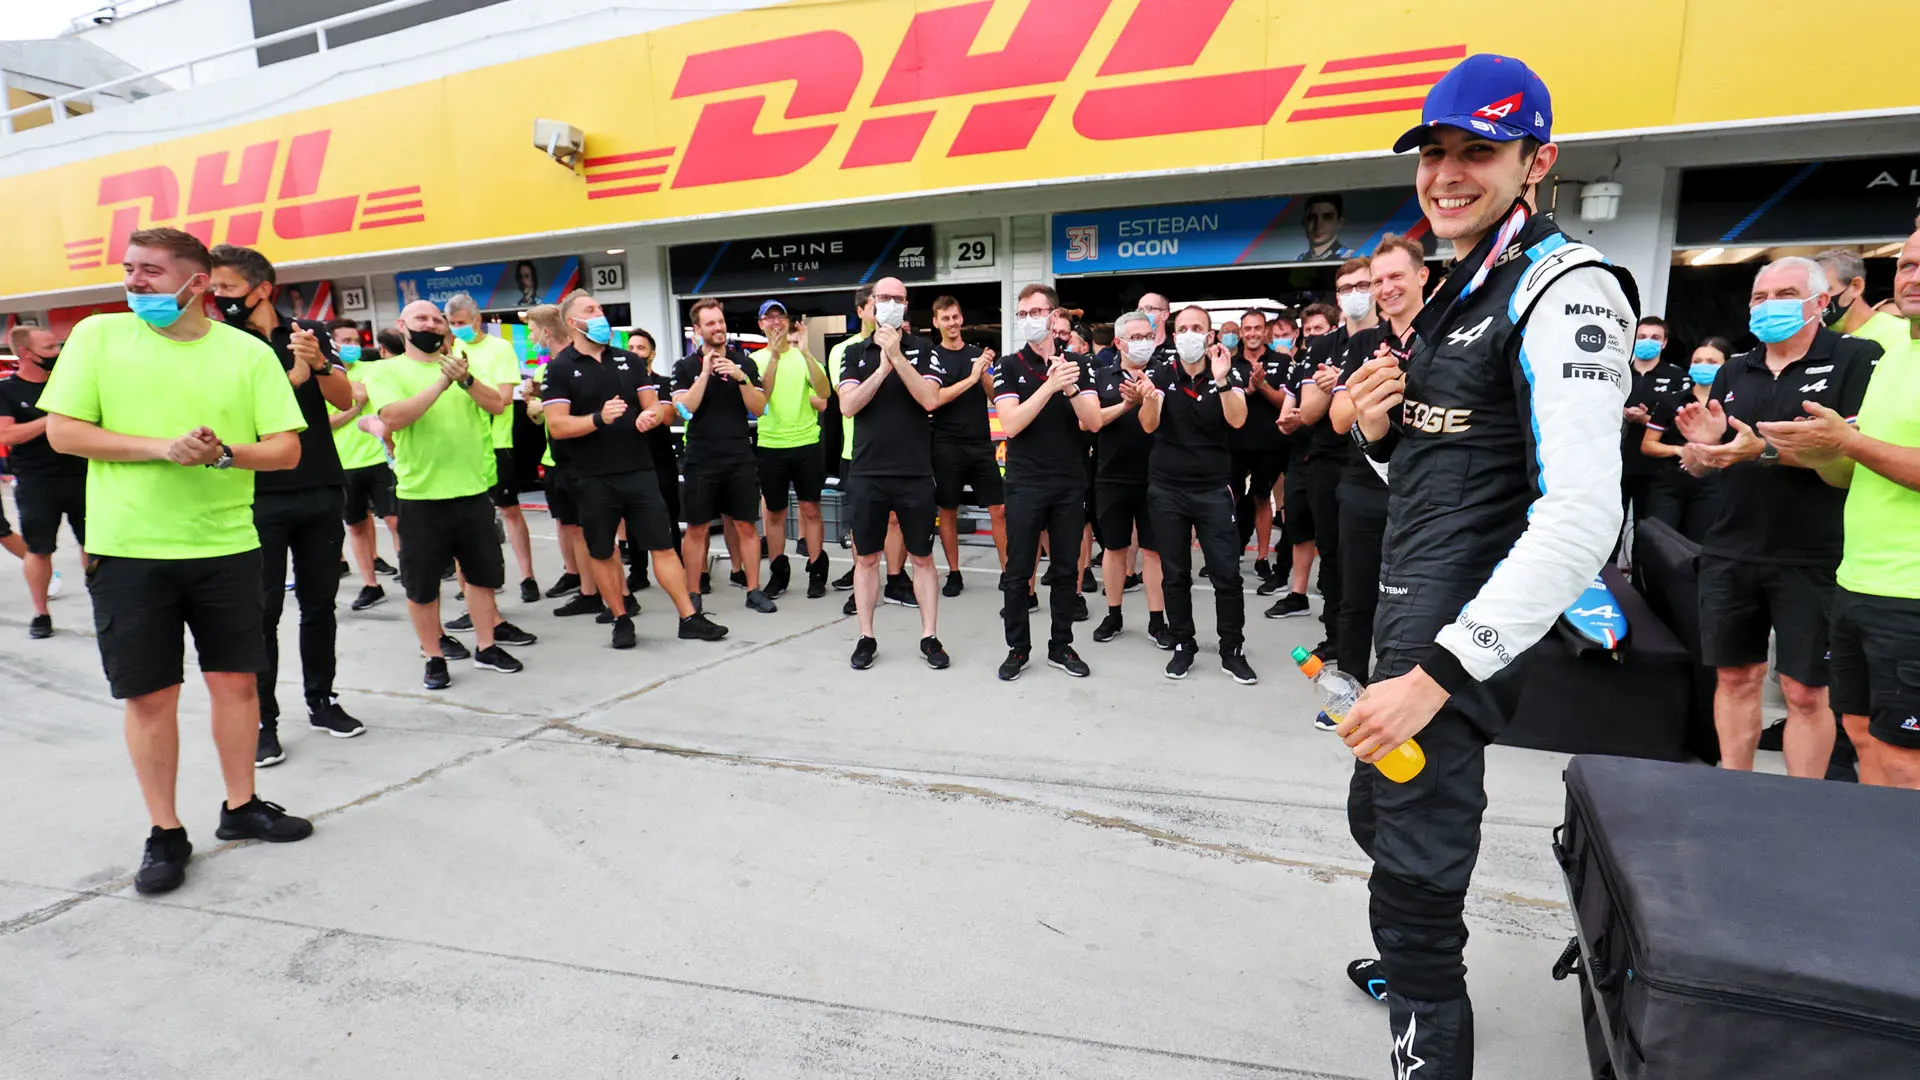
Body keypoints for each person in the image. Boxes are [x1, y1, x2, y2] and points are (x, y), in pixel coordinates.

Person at [1337, 55, 1639, 1075]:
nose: (1448, 173)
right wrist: (1379, 437)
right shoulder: (1463, 281)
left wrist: (1436, 678)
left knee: (1416, 876)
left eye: (1480, 151)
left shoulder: (1567, 288)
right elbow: (1445, 470)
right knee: (1375, 818)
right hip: (1405, 623)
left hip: (1451, 653)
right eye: (1435, 151)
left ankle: (1427, 1026)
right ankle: (1408, 962)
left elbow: (1581, 519)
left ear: (1536, 161)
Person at [41, 226, 315, 896]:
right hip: (129, 550)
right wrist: (163, 447)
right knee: (151, 695)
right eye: (129, 269)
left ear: (196, 282)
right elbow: (64, 431)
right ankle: (165, 831)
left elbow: (285, 450)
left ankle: (241, 806)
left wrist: (223, 452)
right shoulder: (99, 337)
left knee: (238, 685)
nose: (134, 282)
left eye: (151, 272)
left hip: (226, 546)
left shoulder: (247, 353)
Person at [1673, 256, 1880, 778]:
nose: (1770, 307)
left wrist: (1756, 450)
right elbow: (1707, 460)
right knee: (1736, 677)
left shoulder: (1855, 359)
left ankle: (1798, 807)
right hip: (1730, 546)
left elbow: (1847, 451)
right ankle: (1732, 789)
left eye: (1785, 295)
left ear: (1820, 303)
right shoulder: (1733, 369)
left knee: (1805, 691)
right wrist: (1702, 450)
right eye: (1760, 298)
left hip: (1813, 552)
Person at [1765, 229, 1920, 789]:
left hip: (1913, 597)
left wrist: (1848, 444)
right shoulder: (1893, 353)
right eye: (1906, 265)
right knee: (1861, 735)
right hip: (1856, 584)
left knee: (1906, 757)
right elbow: (1850, 473)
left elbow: (1861, 450)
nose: (1913, 277)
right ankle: (1877, 869)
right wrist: (1819, 452)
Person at [206, 244, 364, 767]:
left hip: (319, 488)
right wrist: (290, 379)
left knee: (320, 605)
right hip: (254, 495)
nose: (217, 298)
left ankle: (323, 701)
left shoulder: (306, 333)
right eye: (214, 289)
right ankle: (263, 720)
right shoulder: (217, 343)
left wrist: (318, 364)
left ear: (262, 289)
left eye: (226, 288)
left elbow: (344, 399)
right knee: (261, 613)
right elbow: (230, 422)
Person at [543, 292, 725, 648]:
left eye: (600, 308)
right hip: (592, 476)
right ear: (572, 322)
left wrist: (651, 415)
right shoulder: (561, 367)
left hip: (640, 470)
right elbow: (557, 426)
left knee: (663, 546)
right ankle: (621, 617)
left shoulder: (628, 359)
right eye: (591, 310)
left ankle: (689, 617)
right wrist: (598, 418)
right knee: (603, 551)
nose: (600, 315)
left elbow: (659, 409)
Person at [363, 299, 527, 688]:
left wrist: (467, 380)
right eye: (423, 318)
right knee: (422, 585)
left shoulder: (463, 365)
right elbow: (393, 417)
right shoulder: (387, 370)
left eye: (438, 320)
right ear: (402, 325)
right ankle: (434, 656)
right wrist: (443, 381)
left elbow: (498, 405)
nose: (433, 325)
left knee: (482, 577)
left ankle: (486, 647)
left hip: (471, 491)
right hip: (420, 496)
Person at [1316, 237, 1425, 696]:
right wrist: (1372, 388)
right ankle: (1351, 691)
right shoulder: (1364, 343)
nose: (1386, 287)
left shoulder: (1447, 340)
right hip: (1364, 490)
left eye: (1395, 276)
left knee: (1420, 602)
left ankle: (1404, 699)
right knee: (1355, 600)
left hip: (1424, 492)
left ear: (1423, 276)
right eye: (1378, 280)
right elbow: (1341, 419)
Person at [1138, 304, 1258, 685]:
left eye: (1197, 328)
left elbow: (1238, 420)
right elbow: (1147, 426)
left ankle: (1232, 649)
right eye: (1183, 328)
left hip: (1212, 490)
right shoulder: (1159, 372)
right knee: (1175, 574)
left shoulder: (1228, 370)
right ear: (1174, 336)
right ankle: (1182, 644)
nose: (1190, 334)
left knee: (1226, 574)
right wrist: (1151, 402)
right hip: (1167, 490)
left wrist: (1222, 380)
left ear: (1209, 336)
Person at [836, 276, 950, 670]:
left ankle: (930, 637)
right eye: (884, 297)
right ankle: (866, 636)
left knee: (922, 558)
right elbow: (848, 405)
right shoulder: (854, 353)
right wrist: (883, 367)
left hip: (915, 472)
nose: (891, 303)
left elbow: (930, 399)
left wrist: (898, 357)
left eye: (899, 298)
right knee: (867, 558)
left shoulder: (924, 349)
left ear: (906, 305)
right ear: (870, 304)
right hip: (868, 471)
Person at [993, 285, 1104, 681]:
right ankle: (1017, 647)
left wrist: (1070, 386)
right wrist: (1049, 386)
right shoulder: (1007, 365)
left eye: (1037, 310)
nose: (1030, 318)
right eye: (1023, 312)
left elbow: (1093, 422)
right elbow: (1011, 423)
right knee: (1019, 569)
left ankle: (1061, 645)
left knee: (1064, 568)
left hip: (1070, 481)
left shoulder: (1079, 364)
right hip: (1025, 482)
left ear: (1055, 316)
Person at [675, 298, 774, 614]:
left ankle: (754, 590)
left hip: (739, 455)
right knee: (696, 528)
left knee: (746, 524)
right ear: (697, 330)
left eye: (720, 321)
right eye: (711, 323)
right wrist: (704, 374)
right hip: (701, 457)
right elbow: (684, 409)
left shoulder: (744, 363)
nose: (718, 328)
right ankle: (693, 592)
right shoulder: (685, 367)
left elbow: (759, 409)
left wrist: (741, 377)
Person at [446, 293, 540, 604]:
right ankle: (477, 581)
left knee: (509, 511)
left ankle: (527, 576)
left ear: (477, 320)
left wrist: (469, 382)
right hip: (461, 444)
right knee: (466, 517)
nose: (456, 328)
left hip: (497, 442)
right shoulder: (451, 349)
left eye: (461, 322)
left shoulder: (500, 349)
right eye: (452, 323)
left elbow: (500, 400)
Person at [519, 305, 606, 620]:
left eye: (532, 331)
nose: (530, 337)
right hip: (554, 458)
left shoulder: (571, 364)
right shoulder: (548, 368)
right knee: (568, 525)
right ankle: (580, 580)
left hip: (577, 459)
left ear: (545, 331)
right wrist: (535, 398)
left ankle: (592, 591)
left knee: (582, 529)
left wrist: (538, 403)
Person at [0, 325, 85, 638]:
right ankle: (41, 612)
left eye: (57, 346)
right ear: (26, 353)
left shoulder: (71, 384)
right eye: (49, 349)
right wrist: (51, 421)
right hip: (37, 482)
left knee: (95, 544)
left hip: (82, 475)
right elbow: (6, 434)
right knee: (39, 549)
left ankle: (102, 602)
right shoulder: (7, 391)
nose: (57, 353)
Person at [1090, 310, 1169, 647]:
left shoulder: (1166, 374)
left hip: (1158, 476)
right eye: (1135, 337)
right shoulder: (1101, 375)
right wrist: (1126, 404)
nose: (1143, 343)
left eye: (1148, 336)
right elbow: (1089, 421)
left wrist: (1150, 398)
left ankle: (1156, 620)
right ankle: (1114, 614)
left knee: (1153, 552)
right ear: (1119, 342)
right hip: (1112, 476)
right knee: (1114, 548)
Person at [828, 286, 909, 608]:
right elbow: (846, 400)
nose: (883, 309)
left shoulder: (905, 344)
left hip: (898, 453)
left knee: (895, 521)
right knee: (861, 526)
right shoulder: (845, 351)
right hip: (857, 451)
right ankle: (861, 583)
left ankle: (895, 579)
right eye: (876, 303)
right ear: (864, 311)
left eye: (894, 301)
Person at [751, 300, 833, 600]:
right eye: (768, 318)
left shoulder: (803, 358)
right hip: (771, 445)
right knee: (774, 512)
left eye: (780, 317)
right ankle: (778, 571)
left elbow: (824, 394)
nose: (775, 323)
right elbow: (763, 397)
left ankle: (816, 569)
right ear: (760, 324)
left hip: (807, 443)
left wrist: (808, 352)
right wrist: (773, 356)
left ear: (788, 323)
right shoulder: (756, 360)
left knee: (811, 508)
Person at [928, 295, 1005, 596]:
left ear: (962, 319)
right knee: (947, 510)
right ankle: (955, 573)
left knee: (998, 509)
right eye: (945, 318)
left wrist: (983, 372)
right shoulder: (931, 357)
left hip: (980, 443)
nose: (951, 323)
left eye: (955, 317)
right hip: (945, 444)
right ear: (936, 322)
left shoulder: (977, 354)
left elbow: (995, 397)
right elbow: (934, 399)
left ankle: (1008, 572)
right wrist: (971, 377)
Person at [326, 318, 401, 612]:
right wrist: (356, 406)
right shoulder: (326, 378)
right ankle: (371, 585)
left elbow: (370, 393)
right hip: (345, 463)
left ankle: (409, 573)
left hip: (381, 458)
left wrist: (356, 396)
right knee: (356, 525)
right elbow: (326, 422)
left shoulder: (373, 368)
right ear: (332, 345)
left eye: (356, 341)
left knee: (395, 521)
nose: (352, 347)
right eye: (345, 341)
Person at [1639, 337, 1730, 542]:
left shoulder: (1733, 403)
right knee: (1659, 543)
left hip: (1713, 485)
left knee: (1699, 544)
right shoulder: (1671, 400)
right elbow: (1648, 444)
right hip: (1669, 482)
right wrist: (1680, 451)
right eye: (1697, 361)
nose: (1703, 366)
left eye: (1711, 362)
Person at [1230, 309, 1292, 590]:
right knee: (1229, 500)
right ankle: (1229, 554)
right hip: (1234, 443)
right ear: (1241, 333)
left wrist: (1262, 384)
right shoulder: (1228, 364)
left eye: (1257, 328)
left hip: (1270, 444)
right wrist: (1248, 390)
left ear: (1264, 331)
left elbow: (1285, 403)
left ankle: (1263, 558)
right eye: (1247, 329)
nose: (1252, 334)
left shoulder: (1281, 361)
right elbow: (1224, 402)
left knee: (1261, 497)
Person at [1620, 315, 1683, 540]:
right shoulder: (1619, 373)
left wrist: (1647, 419)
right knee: (1608, 531)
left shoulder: (1678, 377)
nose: (1648, 341)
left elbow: (1680, 429)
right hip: (1616, 465)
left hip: (1655, 471)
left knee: (1648, 535)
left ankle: (1641, 576)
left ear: (1664, 342)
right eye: (1642, 337)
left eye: (1655, 337)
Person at [1814, 247, 1909, 356]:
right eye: (1811, 294)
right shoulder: (1815, 340)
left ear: (1856, 287)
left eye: (1826, 290)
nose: (1818, 300)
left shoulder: (1900, 334)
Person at [1297, 194, 1357, 261]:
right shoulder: (1299, 259)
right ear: (1304, 223)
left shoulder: (1350, 258)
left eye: (1327, 217)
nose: (1318, 224)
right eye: (1312, 217)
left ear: (1340, 222)